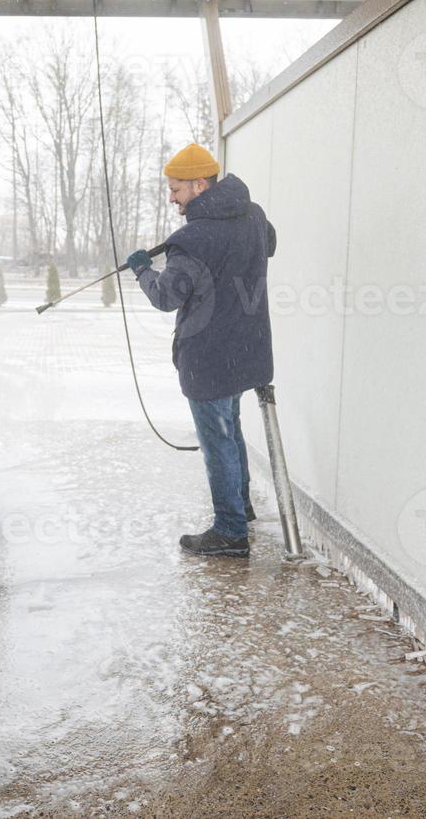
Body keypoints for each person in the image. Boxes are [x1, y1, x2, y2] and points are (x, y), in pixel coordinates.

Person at [127, 143, 275, 558]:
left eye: (175, 190)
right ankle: (240, 508)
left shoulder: (192, 239)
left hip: (209, 356)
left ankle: (229, 532)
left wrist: (142, 268)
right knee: (231, 430)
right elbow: (270, 241)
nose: (172, 198)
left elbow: (165, 297)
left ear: (199, 184)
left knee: (218, 441)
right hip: (248, 349)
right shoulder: (255, 215)